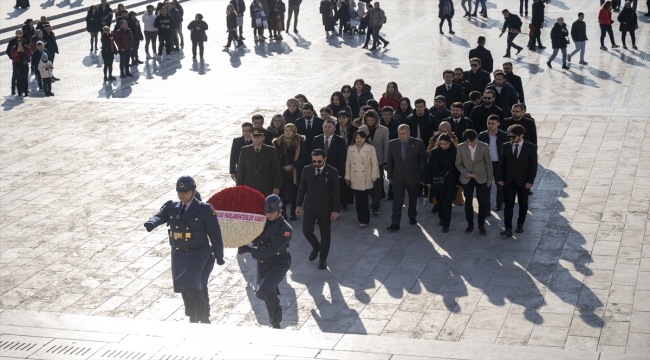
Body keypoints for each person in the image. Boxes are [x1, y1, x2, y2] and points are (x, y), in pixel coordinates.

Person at [144, 176, 225, 324]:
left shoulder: (204, 209)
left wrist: (219, 255)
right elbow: (160, 216)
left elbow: (215, 234)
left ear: (193, 191)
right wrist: (151, 223)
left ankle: (202, 310)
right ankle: (195, 316)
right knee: (188, 286)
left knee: (188, 281)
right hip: (179, 253)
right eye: (179, 192)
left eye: (185, 192)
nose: (182, 195)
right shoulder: (172, 207)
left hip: (199, 253)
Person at [237, 195, 292, 329]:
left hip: (278, 263)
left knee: (265, 288)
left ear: (280, 211)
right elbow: (254, 237)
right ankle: (274, 322)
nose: (269, 215)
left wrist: (249, 250)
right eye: (266, 212)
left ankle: (277, 311)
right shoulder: (261, 222)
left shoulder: (286, 229)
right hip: (263, 263)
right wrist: (243, 242)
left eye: (272, 212)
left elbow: (271, 249)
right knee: (265, 293)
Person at [295, 148, 340, 269]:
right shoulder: (307, 169)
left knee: (325, 234)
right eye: (314, 161)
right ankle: (316, 247)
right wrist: (298, 205)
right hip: (310, 205)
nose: (316, 164)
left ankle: (323, 258)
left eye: (319, 161)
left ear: (325, 159)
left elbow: (336, 192)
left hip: (325, 207)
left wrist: (335, 210)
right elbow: (302, 188)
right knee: (306, 230)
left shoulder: (332, 171)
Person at [497, 125, 538, 237]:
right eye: (510, 136)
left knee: (523, 203)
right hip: (508, 181)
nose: (511, 139)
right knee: (508, 205)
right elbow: (502, 163)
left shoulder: (531, 147)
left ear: (521, 135)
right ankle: (508, 228)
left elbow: (533, 166)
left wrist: (530, 181)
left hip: (523, 181)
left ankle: (520, 223)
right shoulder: (506, 146)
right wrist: (500, 178)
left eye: (513, 137)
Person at [386, 124, 427, 230]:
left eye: (403, 134)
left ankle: (412, 216)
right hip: (397, 177)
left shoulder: (418, 143)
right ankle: (395, 223)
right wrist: (390, 176)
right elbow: (390, 162)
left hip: (413, 177)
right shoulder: (392, 143)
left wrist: (424, 177)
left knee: (413, 199)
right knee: (397, 201)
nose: (401, 136)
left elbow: (423, 161)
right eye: (399, 133)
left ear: (409, 133)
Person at [456, 129, 492, 236]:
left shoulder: (484, 146)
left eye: (471, 141)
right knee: (468, 202)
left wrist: (489, 179)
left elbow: (488, 164)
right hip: (467, 178)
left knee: (482, 202)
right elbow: (458, 164)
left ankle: (481, 225)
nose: (470, 144)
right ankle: (470, 224)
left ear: (476, 138)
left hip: (481, 177)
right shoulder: (461, 147)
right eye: (467, 142)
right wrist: (468, 174)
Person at [425, 134, 460, 232]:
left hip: (451, 180)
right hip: (437, 180)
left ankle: (446, 224)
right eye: (441, 144)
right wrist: (427, 181)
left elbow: (458, 167)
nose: (443, 146)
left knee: (447, 202)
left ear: (450, 143)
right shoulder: (435, 152)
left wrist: (459, 182)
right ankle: (441, 218)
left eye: (445, 144)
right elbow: (430, 167)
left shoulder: (455, 152)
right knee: (439, 201)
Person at [274, 123, 308, 220]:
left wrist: (292, 166)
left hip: (295, 172)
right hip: (282, 172)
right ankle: (283, 212)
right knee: (282, 194)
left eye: (290, 130)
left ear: (294, 131)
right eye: (286, 130)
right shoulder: (278, 142)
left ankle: (293, 212)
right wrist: (284, 167)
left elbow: (304, 157)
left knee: (295, 194)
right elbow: (275, 158)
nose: (288, 133)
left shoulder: (299, 141)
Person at [345, 131, 379, 227]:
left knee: (364, 199)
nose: (359, 140)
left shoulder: (370, 148)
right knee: (358, 200)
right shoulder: (351, 148)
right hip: (354, 177)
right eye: (357, 138)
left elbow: (374, 163)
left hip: (366, 177)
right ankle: (360, 218)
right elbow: (348, 163)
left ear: (365, 138)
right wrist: (347, 176)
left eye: (361, 137)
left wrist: (374, 176)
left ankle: (365, 219)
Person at [358, 111, 389, 214]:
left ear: (376, 120)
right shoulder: (362, 129)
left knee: (377, 183)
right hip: (364, 160)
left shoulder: (383, 130)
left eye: (372, 120)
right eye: (368, 120)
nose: (370, 122)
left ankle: (376, 205)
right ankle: (370, 201)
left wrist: (385, 161)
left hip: (378, 160)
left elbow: (386, 146)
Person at [236, 128, 282, 196]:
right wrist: (239, 187)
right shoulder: (244, 150)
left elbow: (276, 169)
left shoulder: (270, 150)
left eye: (258, 137)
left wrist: (276, 186)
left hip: (265, 184)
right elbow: (241, 170)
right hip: (250, 184)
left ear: (263, 138)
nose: (256, 139)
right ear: (251, 138)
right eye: (254, 137)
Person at [478, 115, 508, 212]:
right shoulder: (482, 135)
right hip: (487, 165)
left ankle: (500, 204)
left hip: (499, 164)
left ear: (498, 124)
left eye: (493, 124)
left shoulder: (504, 135)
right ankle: (486, 208)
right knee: (486, 186)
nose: (490, 126)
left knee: (500, 184)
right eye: (489, 123)